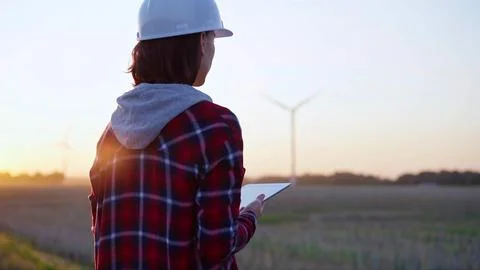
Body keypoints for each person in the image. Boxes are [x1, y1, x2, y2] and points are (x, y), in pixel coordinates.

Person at [88, 0, 265, 269]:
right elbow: (216, 247)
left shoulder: (110, 135)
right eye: (213, 40)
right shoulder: (216, 126)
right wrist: (249, 216)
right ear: (202, 42)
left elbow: (101, 230)